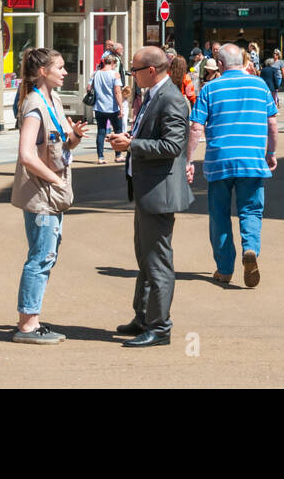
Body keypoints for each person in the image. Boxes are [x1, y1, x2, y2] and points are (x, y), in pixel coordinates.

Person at [104, 46, 192, 348]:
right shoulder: (152, 96)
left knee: (157, 261)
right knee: (145, 257)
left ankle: (160, 326)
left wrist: (132, 145)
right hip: (147, 190)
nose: (132, 75)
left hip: (160, 192)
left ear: (151, 70)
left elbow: (171, 146)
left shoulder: (172, 100)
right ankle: (143, 317)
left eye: (134, 70)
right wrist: (130, 141)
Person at [11, 47, 87, 344]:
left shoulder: (53, 99)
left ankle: (31, 319)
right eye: (60, 67)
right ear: (43, 71)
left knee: (46, 255)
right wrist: (55, 179)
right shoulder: (33, 104)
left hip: (51, 194)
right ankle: (28, 325)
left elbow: (62, 144)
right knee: (40, 257)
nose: (65, 72)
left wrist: (75, 136)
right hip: (43, 195)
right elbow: (26, 154)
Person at [187, 43, 278, 287]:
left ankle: (225, 268)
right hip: (252, 158)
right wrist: (271, 152)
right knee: (251, 210)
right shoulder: (260, 86)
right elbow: (272, 123)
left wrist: (188, 160)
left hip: (219, 160)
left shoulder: (210, 88)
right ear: (244, 61)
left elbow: (196, 128)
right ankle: (251, 249)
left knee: (219, 214)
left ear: (221, 64)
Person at [91, 53, 126, 165]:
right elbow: (117, 91)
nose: (115, 67)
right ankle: (118, 155)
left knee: (101, 132)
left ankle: (100, 157)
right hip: (112, 107)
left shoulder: (96, 74)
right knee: (118, 131)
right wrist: (121, 107)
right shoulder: (115, 74)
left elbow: (88, 88)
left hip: (99, 107)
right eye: (115, 64)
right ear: (112, 63)